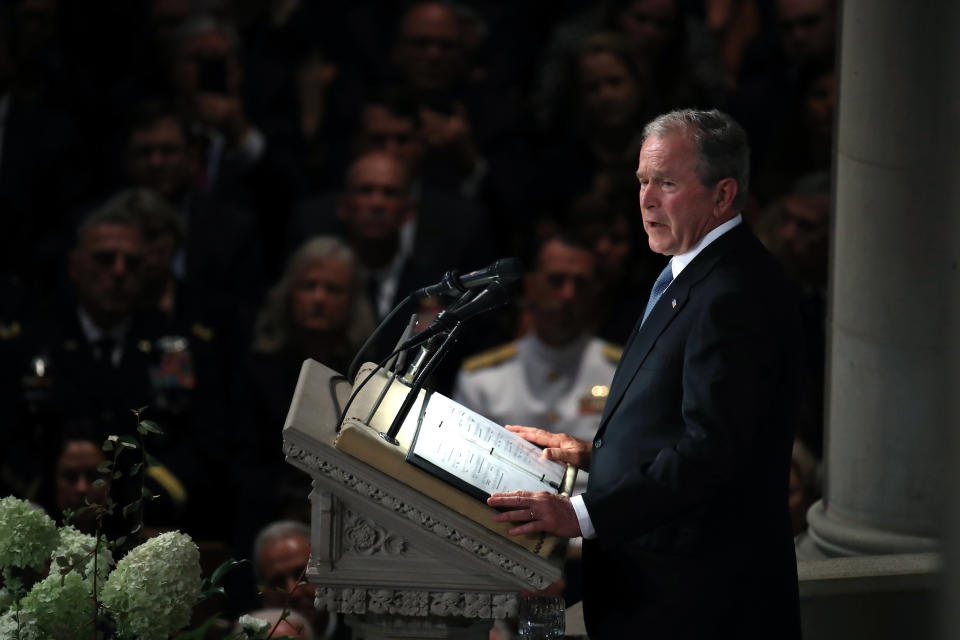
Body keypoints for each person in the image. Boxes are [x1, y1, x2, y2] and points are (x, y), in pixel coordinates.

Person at [488, 109, 802, 639]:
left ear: (723, 195)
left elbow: (713, 452)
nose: (647, 200)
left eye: (667, 183)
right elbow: (686, 426)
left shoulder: (733, 292)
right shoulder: (695, 271)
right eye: (642, 181)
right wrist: (594, 454)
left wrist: (579, 514)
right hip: (661, 591)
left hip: (699, 603)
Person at [252, 521, 344, 640]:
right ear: (262, 593)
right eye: (278, 582)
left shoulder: (361, 630)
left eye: (303, 575)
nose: (294, 592)